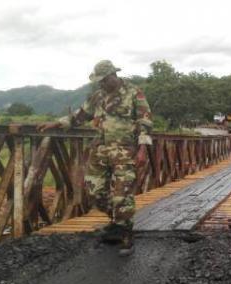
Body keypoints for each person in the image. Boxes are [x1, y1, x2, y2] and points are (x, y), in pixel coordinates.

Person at [38, 60, 153, 256]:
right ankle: (117, 221)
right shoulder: (98, 96)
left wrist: (143, 149)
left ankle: (125, 234)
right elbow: (80, 115)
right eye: (99, 81)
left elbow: (145, 121)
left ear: (112, 76)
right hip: (100, 150)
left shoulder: (134, 93)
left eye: (104, 80)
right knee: (94, 191)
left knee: (121, 195)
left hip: (125, 151)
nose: (101, 84)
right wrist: (56, 124)